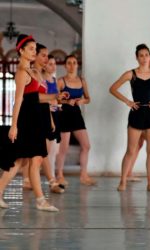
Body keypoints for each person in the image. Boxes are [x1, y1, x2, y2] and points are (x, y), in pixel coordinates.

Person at [0, 34, 59, 212]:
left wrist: (49, 117)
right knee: (27, 161)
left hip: (37, 121)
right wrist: (14, 125)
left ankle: (40, 200)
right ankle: (40, 200)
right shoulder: (21, 73)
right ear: (21, 51)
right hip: (28, 121)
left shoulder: (33, 72)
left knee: (25, 161)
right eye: (31, 49)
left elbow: (41, 99)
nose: (34, 51)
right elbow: (17, 101)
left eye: (35, 49)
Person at [109, 43, 150, 192]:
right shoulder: (131, 74)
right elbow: (112, 88)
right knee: (131, 150)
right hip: (136, 113)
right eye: (141, 55)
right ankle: (123, 181)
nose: (144, 58)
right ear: (137, 58)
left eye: (146, 55)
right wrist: (128, 101)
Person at [22, 44, 64, 194]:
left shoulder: (41, 75)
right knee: (29, 156)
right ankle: (47, 183)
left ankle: (42, 187)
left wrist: (51, 118)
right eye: (44, 55)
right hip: (33, 117)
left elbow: (45, 100)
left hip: (44, 115)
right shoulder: (29, 73)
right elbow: (30, 98)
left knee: (36, 155)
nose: (47, 59)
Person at [55, 55, 96, 186]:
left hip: (77, 115)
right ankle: (59, 175)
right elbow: (55, 99)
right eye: (69, 63)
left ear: (77, 65)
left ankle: (84, 175)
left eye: (74, 63)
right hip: (64, 115)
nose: (72, 65)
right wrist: (68, 101)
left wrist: (82, 100)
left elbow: (88, 98)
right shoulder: (61, 81)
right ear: (65, 66)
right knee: (64, 148)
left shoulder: (82, 81)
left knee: (86, 145)